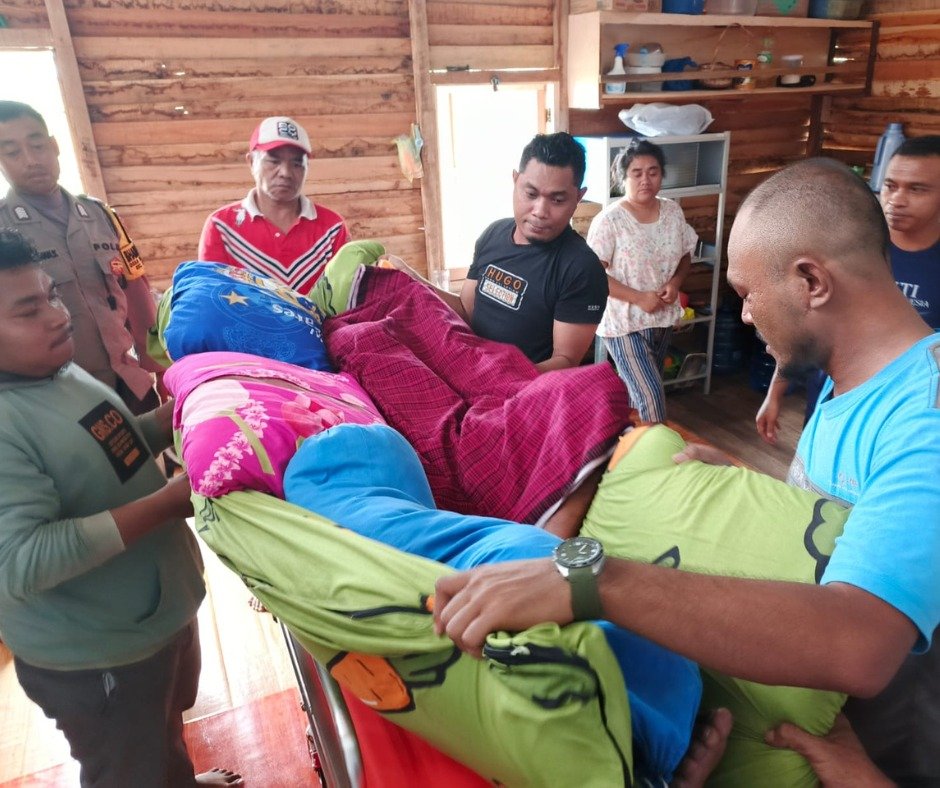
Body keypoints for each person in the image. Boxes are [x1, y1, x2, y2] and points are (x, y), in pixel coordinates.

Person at [432, 158, 940, 786]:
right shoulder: (857, 383)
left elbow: (861, 642)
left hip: (879, 740)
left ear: (811, 281)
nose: (747, 317)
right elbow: (833, 526)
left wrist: (592, 580)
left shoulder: (926, 422)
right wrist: (739, 481)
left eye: (748, 294)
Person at [0, 228, 242, 787]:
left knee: (159, 730)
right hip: (96, 655)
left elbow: (115, 444)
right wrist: (166, 503)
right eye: (28, 310)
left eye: (52, 294)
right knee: (128, 765)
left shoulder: (56, 373)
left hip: (149, 615)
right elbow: (20, 560)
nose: (58, 315)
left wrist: (178, 411)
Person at [756, 134, 940, 445]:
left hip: (906, 428)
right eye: (891, 186)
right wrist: (775, 392)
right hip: (830, 407)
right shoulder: (854, 244)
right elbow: (807, 322)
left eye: (917, 189)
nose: (896, 199)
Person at [0, 101, 162, 414]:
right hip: (58, 396)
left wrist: (160, 366)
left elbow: (136, 293)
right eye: (12, 152)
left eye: (37, 145)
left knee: (149, 458)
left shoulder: (101, 215)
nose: (32, 160)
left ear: (54, 145)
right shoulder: (3, 231)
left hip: (128, 381)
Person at [397, 132, 608, 372]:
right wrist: (412, 279)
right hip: (470, 372)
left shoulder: (580, 268)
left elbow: (565, 361)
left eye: (557, 200)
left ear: (578, 198)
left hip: (521, 396)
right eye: (530, 194)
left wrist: (497, 376)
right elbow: (467, 312)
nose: (540, 210)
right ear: (516, 180)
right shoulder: (493, 235)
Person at [587, 139, 696, 422]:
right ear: (623, 178)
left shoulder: (672, 212)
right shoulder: (609, 220)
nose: (645, 179)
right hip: (624, 324)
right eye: (637, 173)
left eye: (653, 171)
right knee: (652, 400)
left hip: (661, 322)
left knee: (638, 397)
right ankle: (656, 463)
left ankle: (624, 453)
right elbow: (592, 275)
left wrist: (675, 283)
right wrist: (638, 298)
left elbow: (686, 256)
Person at [198, 116, 350, 296]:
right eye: (274, 161)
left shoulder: (332, 228)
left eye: (297, 163)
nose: (285, 173)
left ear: (307, 167)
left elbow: (344, 299)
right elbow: (212, 299)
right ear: (251, 162)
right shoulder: (221, 226)